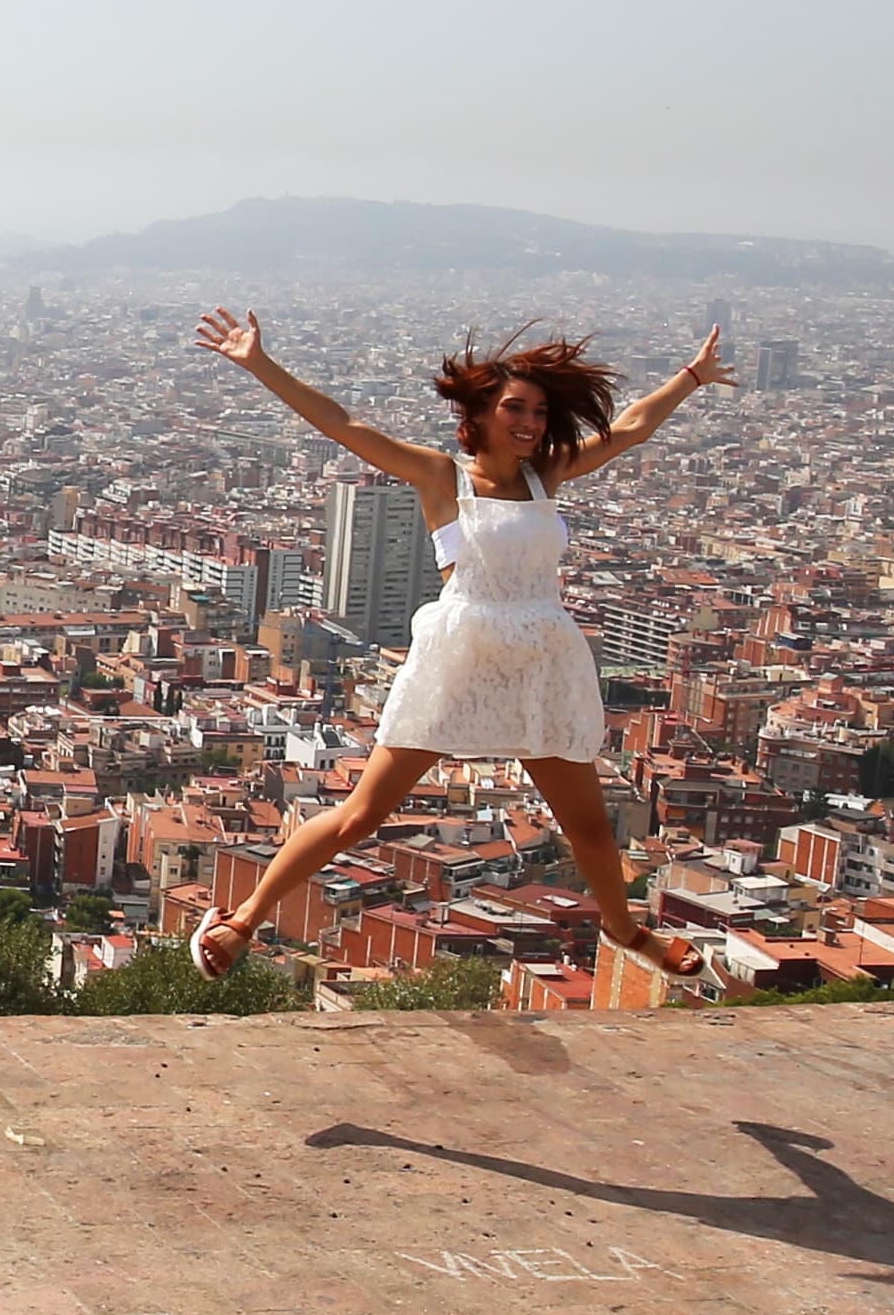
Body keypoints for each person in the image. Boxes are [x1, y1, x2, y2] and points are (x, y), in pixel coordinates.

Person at [187, 312, 727, 982]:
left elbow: (629, 428)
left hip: (541, 661)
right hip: (462, 658)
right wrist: (259, 364)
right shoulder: (444, 477)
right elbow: (343, 424)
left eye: (537, 410)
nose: (528, 421)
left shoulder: (546, 476)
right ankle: (242, 921)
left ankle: (625, 930)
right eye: (513, 408)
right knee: (361, 814)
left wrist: (691, 378)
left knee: (588, 826)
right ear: (478, 412)